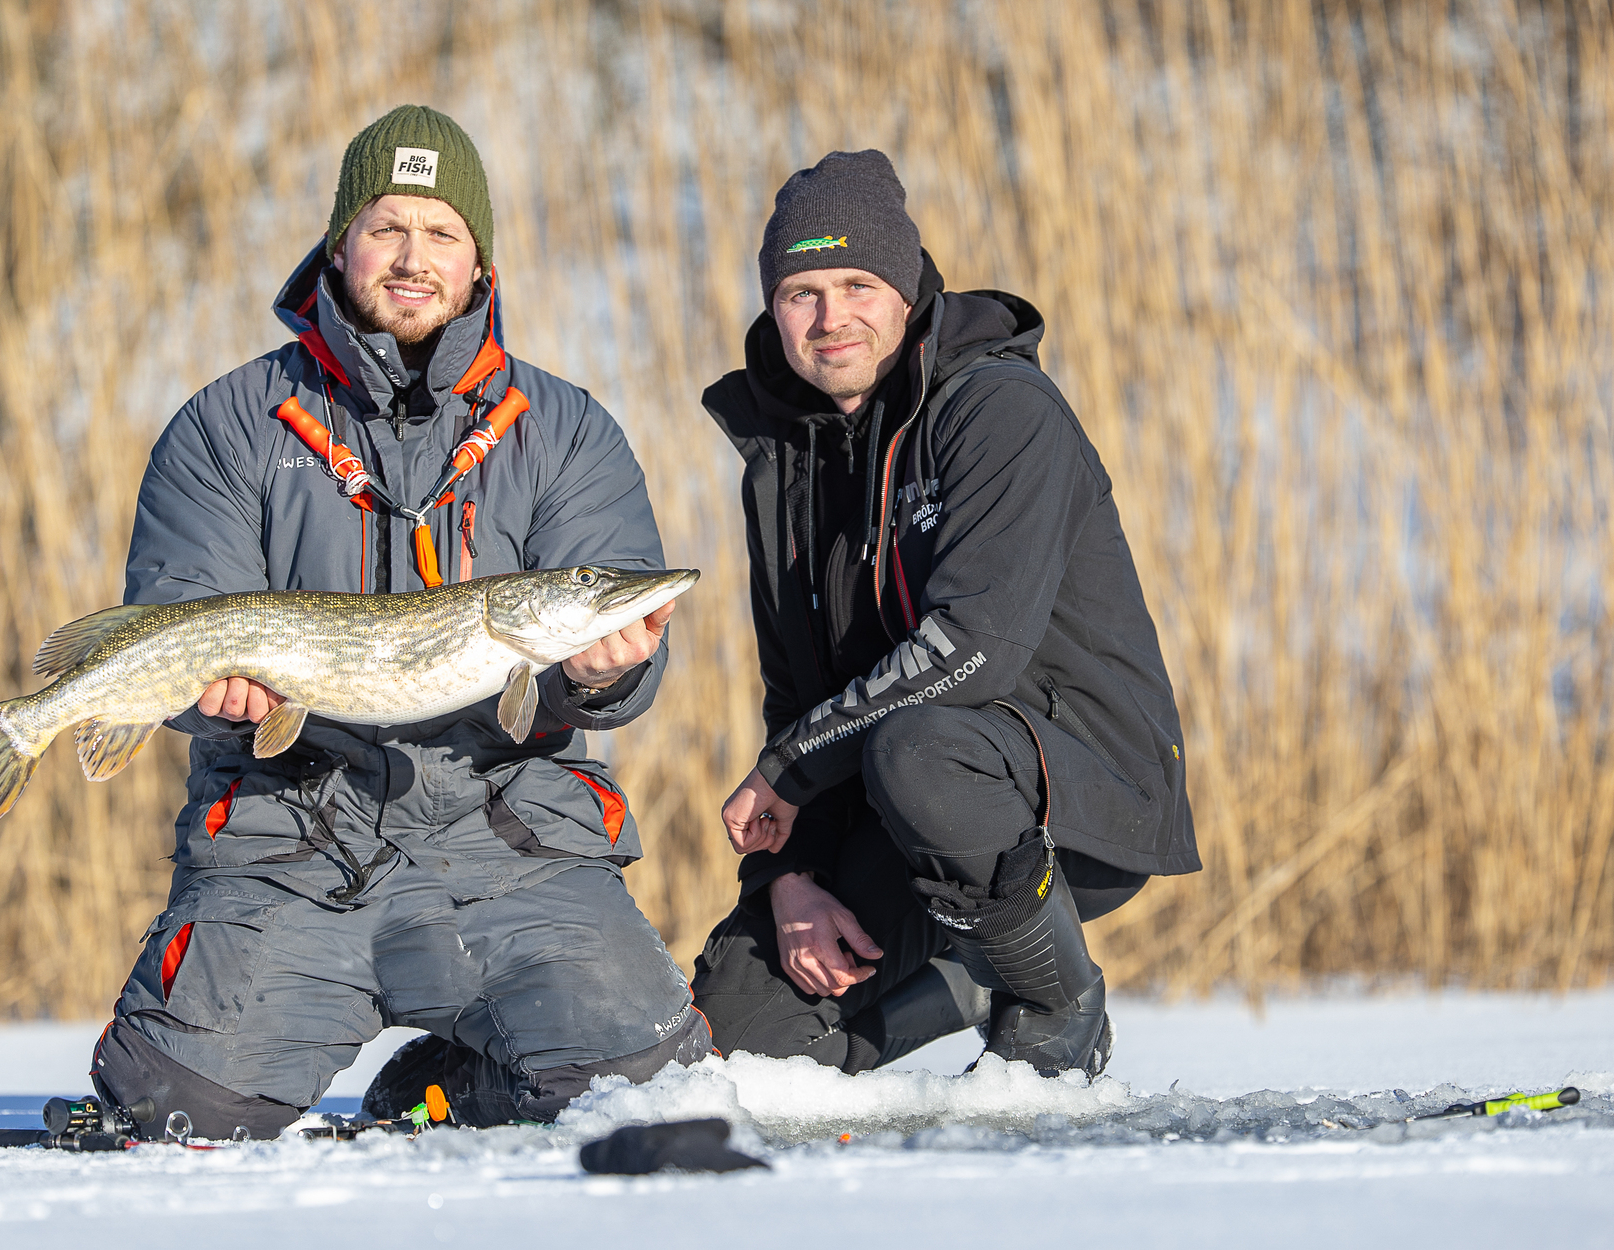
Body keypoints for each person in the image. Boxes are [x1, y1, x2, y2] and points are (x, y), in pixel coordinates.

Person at [89, 105, 707, 1139]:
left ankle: (450, 1077)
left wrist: (599, 674)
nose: (412, 257)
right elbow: (175, 617)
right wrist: (227, 709)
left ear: (479, 264)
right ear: (340, 243)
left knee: (647, 1099)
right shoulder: (228, 424)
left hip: (510, 840)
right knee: (170, 1113)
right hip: (288, 838)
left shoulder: (564, 431)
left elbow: (617, 656)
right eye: (386, 226)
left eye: (442, 234)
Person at [690, 150, 1199, 1078]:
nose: (830, 316)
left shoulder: (1000, 407)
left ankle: (1054, 1004)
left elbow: (976, 649)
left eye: (857, 282)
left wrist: (793, 771)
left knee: (922, 749)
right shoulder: (785, 460)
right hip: (893, 800)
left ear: (909, 283)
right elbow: (795, 692)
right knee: (731, 1043)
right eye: (801, 291)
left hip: (1067, 790)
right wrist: (786, 878)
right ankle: (970, 973)